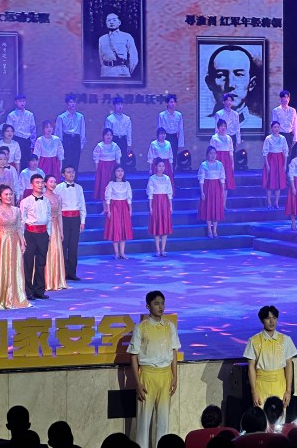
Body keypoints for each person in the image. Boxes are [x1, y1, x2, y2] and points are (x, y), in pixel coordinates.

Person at [128, 290, 181, 448]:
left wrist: (175, 377)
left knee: (163, 421)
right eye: (156, 303)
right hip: (147, 375)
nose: (160, 307)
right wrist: (138, 383)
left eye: (162, 303)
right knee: (144, 421)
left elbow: (173, 352)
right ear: (148, 306)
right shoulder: (141, 328)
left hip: (165, 375)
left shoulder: (169, 326)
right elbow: (133, 356)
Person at [0, 184, 31, 309]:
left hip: (14, 242)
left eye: (10, 194)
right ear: (0, 196)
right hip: (1, 243)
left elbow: (18, 227)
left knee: (15, 268)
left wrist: (22, 242)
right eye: (6, 194)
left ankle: (15, 296)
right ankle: (0, 297)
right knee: (1, 268)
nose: (9, 196)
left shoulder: (17, 210)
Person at [244, 305, 297, 407]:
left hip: (280, 385)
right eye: (268, 318)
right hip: (261, 385)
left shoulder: (285, 340)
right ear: (262, 320)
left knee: (279, 415)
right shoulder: (253, 340)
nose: (271, 321)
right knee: (261, 416)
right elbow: (251, 367)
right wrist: (254, 391)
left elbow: (289, 364)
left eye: (274, 318)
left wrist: (288, 391)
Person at [205, 45, 262, 128]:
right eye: (221, 75)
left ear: (251, 83)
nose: (230, 84)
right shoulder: (203, 124)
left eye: (239, 75)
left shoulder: (258, 125)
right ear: (210, 83)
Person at [20, 173, 51, 300]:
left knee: (41, 262)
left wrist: (49, 233)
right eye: (37, 182)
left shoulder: (47, 201)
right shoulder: (25, 201)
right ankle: (28, 291)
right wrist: (22, 238)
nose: (40, 185)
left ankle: (39, 290)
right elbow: (22, 221)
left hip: (43, 234)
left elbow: (49, 218)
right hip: (30, 234)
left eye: (42, 182)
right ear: (31, 185)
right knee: (28, 263)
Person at [55, 165, 86, 281]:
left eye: (73, 172)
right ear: (63, 175)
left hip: (75, 219)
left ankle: (72, 273)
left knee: (73, 247)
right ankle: (62, 272)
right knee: (63, 246)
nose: (71, 174)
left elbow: (82, 204)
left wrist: (82, 221)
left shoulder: (79, 188)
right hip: (63, 219)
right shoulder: (58, 188)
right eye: (68, 172)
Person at [104, 165, 133, 260]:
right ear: (114, 173)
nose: (120, 173)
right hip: (114, 207)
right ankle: (116, 253)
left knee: (123, 229)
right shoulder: (111, 184)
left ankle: (122, 253)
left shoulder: (127, 183)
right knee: (115, 229)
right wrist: (108, 210)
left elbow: (129, 197)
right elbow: (108, 198)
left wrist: (130, 209)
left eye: (122, 171)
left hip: (124, 207)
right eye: (118, 171)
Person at [43, 174, 67, 292]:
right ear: (45, 183)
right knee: (46, 252)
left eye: (54, 182)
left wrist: (61, 231)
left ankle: (56, 280)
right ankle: (46, 280)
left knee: (56, 251)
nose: (53, 184)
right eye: (51, 182)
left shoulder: (58, 198)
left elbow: (59, 215)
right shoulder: (42, 197)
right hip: (45, 227)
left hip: (56, 227)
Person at [99, 12, 139, 78]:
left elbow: (134, 57)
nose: (111, 22)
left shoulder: (127, 36)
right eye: (109, 20)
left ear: (119, 22)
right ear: (106, 23)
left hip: (122, 71)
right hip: (106, 72)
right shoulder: (102, 39)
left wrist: (127, 71)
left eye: (114, 20)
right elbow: (100, 58)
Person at [198, 146, 226, 239]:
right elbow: (201, 179)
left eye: (214, 153)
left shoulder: (220, 164)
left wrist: (222, 191)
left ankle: (215, 230)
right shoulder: (204, 165)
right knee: (208, 208)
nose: (213, 155)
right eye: (211, 153)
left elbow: (222, 178)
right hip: (208, 188)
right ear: (207, 154)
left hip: (217, 188)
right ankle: (209, 230)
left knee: (216, 208)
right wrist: (202, 192)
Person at [148, 159, 173, 258]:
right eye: (159, 166)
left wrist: (170, 206)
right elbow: (150, 194)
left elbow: (169, 192)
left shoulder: (167, 178)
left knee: (165, 225)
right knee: (157, 225)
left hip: (165, 202)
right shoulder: (152, 178)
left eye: (163, 166)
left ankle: (163, 249)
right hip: (156, 202)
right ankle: (157, 249)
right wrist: (150, 207)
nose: (161, 168)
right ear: (155, 167)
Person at [55, 94, 87, 173]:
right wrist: (59, 146)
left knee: (75, 162)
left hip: (76, 140)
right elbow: (58, 133)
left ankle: (74, 180)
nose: (73, 104)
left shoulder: (80, 116)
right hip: (66, 140)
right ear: (67, 104)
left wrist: (81, 145)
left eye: (74, 102)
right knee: (66, 162)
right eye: (70, 102)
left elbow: (82, 132)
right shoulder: (61, 117)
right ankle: (65, 179)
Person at [262, 121, 289, 209]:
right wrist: (267, 165)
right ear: (271, 128)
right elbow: (265, 152)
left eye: (278, 127)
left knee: (278, 183)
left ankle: (276, 202)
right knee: (269, 182)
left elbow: (285, 152)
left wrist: (285, 165)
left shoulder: (283, 138)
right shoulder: (268, 138)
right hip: (271, 160)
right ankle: (269, 202)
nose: (276, 129)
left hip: (280, 161)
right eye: (274, 127)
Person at [6, 94, 36, 166]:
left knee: (27, 161)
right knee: (17, 160)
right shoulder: (11, 115)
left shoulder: (30, 114)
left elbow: (33, 130)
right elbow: (8, 130)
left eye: (23, 101)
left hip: (27, 140)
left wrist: (33, 144)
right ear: (15, 102)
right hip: (17, 139)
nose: (22, 103)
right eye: (20, 101)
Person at [93, 128, 122, 201]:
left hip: (112, 167)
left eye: (110, 135)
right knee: (104, 186)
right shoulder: (99, 145)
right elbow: (96, 158)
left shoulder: (115, 146)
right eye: (107, 135)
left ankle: (112, 205)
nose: (109, 137)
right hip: (103, 168)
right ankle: (104, 206)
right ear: (103, 136)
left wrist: (118, 170)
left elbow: (118, 158)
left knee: (112, 185)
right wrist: (97, 170)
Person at [104, 97, 133, 167]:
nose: (120, 106)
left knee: (123, 161)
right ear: (114, 106)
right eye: (118, 104)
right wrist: (108, 144)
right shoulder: (109, 119)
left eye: (121, 104)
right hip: (114, 140)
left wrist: (129, 144)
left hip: (123, 141)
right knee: (113, 161)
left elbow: (129, 133)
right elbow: (107, 133)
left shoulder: (127, 119)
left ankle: (123, 174)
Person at [210, 120, 236, 194]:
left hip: (227, 161)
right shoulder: (214, 138)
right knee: (217, 180)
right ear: (218, 127)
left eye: (225, 126)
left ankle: (224, 201)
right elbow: (211, 152)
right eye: (221, 126)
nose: (223, 128)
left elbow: (231, 152)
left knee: (226, 181)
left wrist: (232, 163)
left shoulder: (229, 138)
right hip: (217, 160)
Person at [157, 94, 185, 164]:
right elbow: (159, 129)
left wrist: (180, 144)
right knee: (164, 157)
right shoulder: (162, 115)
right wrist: (159, 141)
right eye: (171, 102)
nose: (173, 104)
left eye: (174, 102)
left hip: (174, 137)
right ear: (167, 103)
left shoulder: (178, 115)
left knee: (173, 157)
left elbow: (181, 130)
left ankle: (172, 171)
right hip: (165, 137)